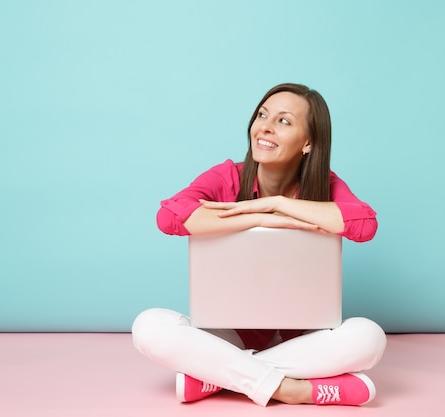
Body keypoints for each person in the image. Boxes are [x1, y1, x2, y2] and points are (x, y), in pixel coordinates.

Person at [132, 83, 387, 407]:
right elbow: (169, 216)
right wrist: (258, 218)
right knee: (149, 327)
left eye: (283, 120)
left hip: (307, 337)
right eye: (262, 115)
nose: (264, 126)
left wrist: (276, 204)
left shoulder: (327, 184)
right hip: (230, 335)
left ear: (308, 142)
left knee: (369, 337)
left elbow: (363, 224)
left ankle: (220, 376)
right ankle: (295, 390)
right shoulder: (227, 176)